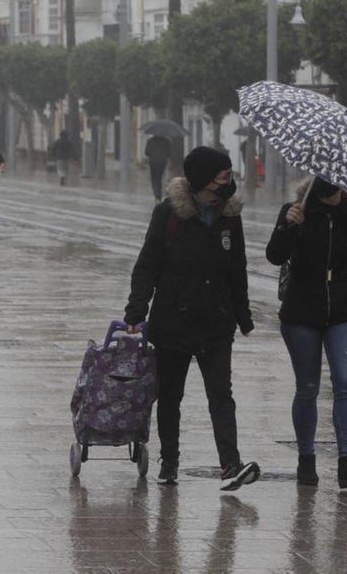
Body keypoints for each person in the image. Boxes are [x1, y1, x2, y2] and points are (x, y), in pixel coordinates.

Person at [122, 146, 259, 491]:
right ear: (203, 179)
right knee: (170, 396)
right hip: (174, 322)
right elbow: (147, 265)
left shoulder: (230, 216)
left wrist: (243, 316)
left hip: (217, 321)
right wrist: (136, 312)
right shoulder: (169, 214)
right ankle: (169, 461)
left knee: (221, 395)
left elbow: (238, 269)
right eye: (224, 175)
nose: (229, 181)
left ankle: (230, 464)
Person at [265, 176, 347, 489]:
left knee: (345, 383)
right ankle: (306, 459)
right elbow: (275, 255)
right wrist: (288, 226)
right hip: (301, 308)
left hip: (343, 308)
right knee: (307, 388)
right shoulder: (296, 210)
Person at [144, 134, 171, 202]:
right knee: (159, 178)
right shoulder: (167, 141)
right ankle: (158, 195)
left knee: (154, 178)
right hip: (162, 162)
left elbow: (146, 152)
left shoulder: (150, 140)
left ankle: (157, 195)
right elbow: (169, 153)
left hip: (153, 162)